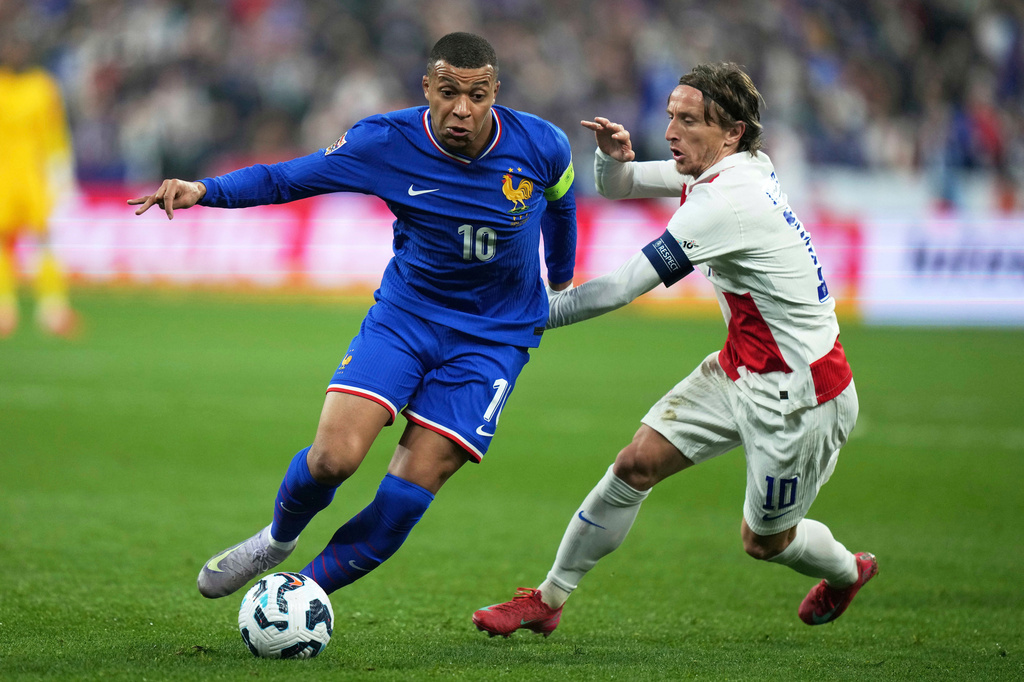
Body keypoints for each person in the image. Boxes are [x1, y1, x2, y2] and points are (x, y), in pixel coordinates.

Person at [129, 32, 577, 600]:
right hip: (408, 317)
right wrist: (204, 189)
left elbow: (562, 205)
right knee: (333, 460)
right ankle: (277, 540)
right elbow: (287, 178)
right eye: (447, 92)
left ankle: (298, 593)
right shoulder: (384, 142)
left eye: (478, 95)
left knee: (405, 496)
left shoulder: (543, 144)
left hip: (492, 339)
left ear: (495, 93)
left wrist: (561, 279)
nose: (462, 109)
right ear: (427, 88)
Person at [473, 62, 875, 638]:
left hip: (800, 397)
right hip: (743, 365)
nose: (671, 132)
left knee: (765, 542)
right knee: (635, 463)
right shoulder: (731, 168)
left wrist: (525, 316)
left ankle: (847, 572)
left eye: (688, 120)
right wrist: (612, 157)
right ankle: (548, 596)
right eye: (670, 117)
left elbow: (618, 288)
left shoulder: (726, 203)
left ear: (732, 132)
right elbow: (623, 184)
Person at [0, 35, 78, 337]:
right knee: (4, 240)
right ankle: (5, 308)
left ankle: (52, 308)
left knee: (44, 240)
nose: (15, 51)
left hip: (34, 174)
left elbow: (54, 131)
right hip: (3, 174)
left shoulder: (43, 86)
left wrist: (62, 173)